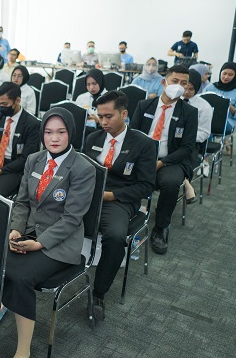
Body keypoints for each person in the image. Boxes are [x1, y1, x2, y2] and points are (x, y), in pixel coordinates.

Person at [2, 107, 95, 358]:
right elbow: (22, 202)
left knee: (20, 277)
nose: (54, 138)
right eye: (48, 132)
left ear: (71, 133)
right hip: (28, 231)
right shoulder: (34, 159)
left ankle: (23, 350)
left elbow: (72, 219)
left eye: (61, 132)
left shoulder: (83, 169)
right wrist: (16, 229)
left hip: (61, 242)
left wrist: (40, 243)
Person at [84, 91, 157, 320]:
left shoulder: (143, 144)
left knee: (115, 237)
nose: (103, 122)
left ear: (124, 114)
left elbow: (146, 186)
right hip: (88, 196)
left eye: (109, 116)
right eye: (100, 116)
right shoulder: (93, 139)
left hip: (119, 201)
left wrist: (112, 195)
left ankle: (99, 293)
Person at [130, 65, 198, 255]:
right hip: (142, 157)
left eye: (184, 83)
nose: (179, 86)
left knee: (170, 183)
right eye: (175, 81)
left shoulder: (189, 112)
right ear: (164, 82)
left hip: (171, 160)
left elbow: (187, 147)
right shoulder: (144, 105)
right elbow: (133, 135)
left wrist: (160, 163)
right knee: (121, 173)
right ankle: (127, 217)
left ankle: (160, 229)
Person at [0, 82, 40, 197]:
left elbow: (25, 159)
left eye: (5, 104)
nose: (1, 108)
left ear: (17, 101)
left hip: (14, 166)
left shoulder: (32, 124)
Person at [181, 69, 212, 204]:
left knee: (179, 156)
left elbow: (204, 133)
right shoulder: (173, 100)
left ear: (197, 88)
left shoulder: (204, 106)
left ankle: (183, 181)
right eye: (184, 88)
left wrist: (185, 137)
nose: (186, 92)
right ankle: (186, 183)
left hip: (191, 144)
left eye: (191, 89)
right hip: (169, 141)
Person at [202, 62, 236, 134]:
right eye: (224, 73)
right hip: (207, 117)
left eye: (230, 75)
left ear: (235, 76)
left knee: (208, 125)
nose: (226, 77)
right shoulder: (210, 87)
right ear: (220, 73)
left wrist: (228, 106)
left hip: (227, 120)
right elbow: (201, 102)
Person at [75, 69, 107, 133]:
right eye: (88, 84)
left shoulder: (110, 99)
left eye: (94, 83)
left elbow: (114, 123)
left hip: (103, 132)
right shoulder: (81, 98)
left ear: (100, 82)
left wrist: (98, 120)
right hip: (83, 131)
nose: (91, 87)